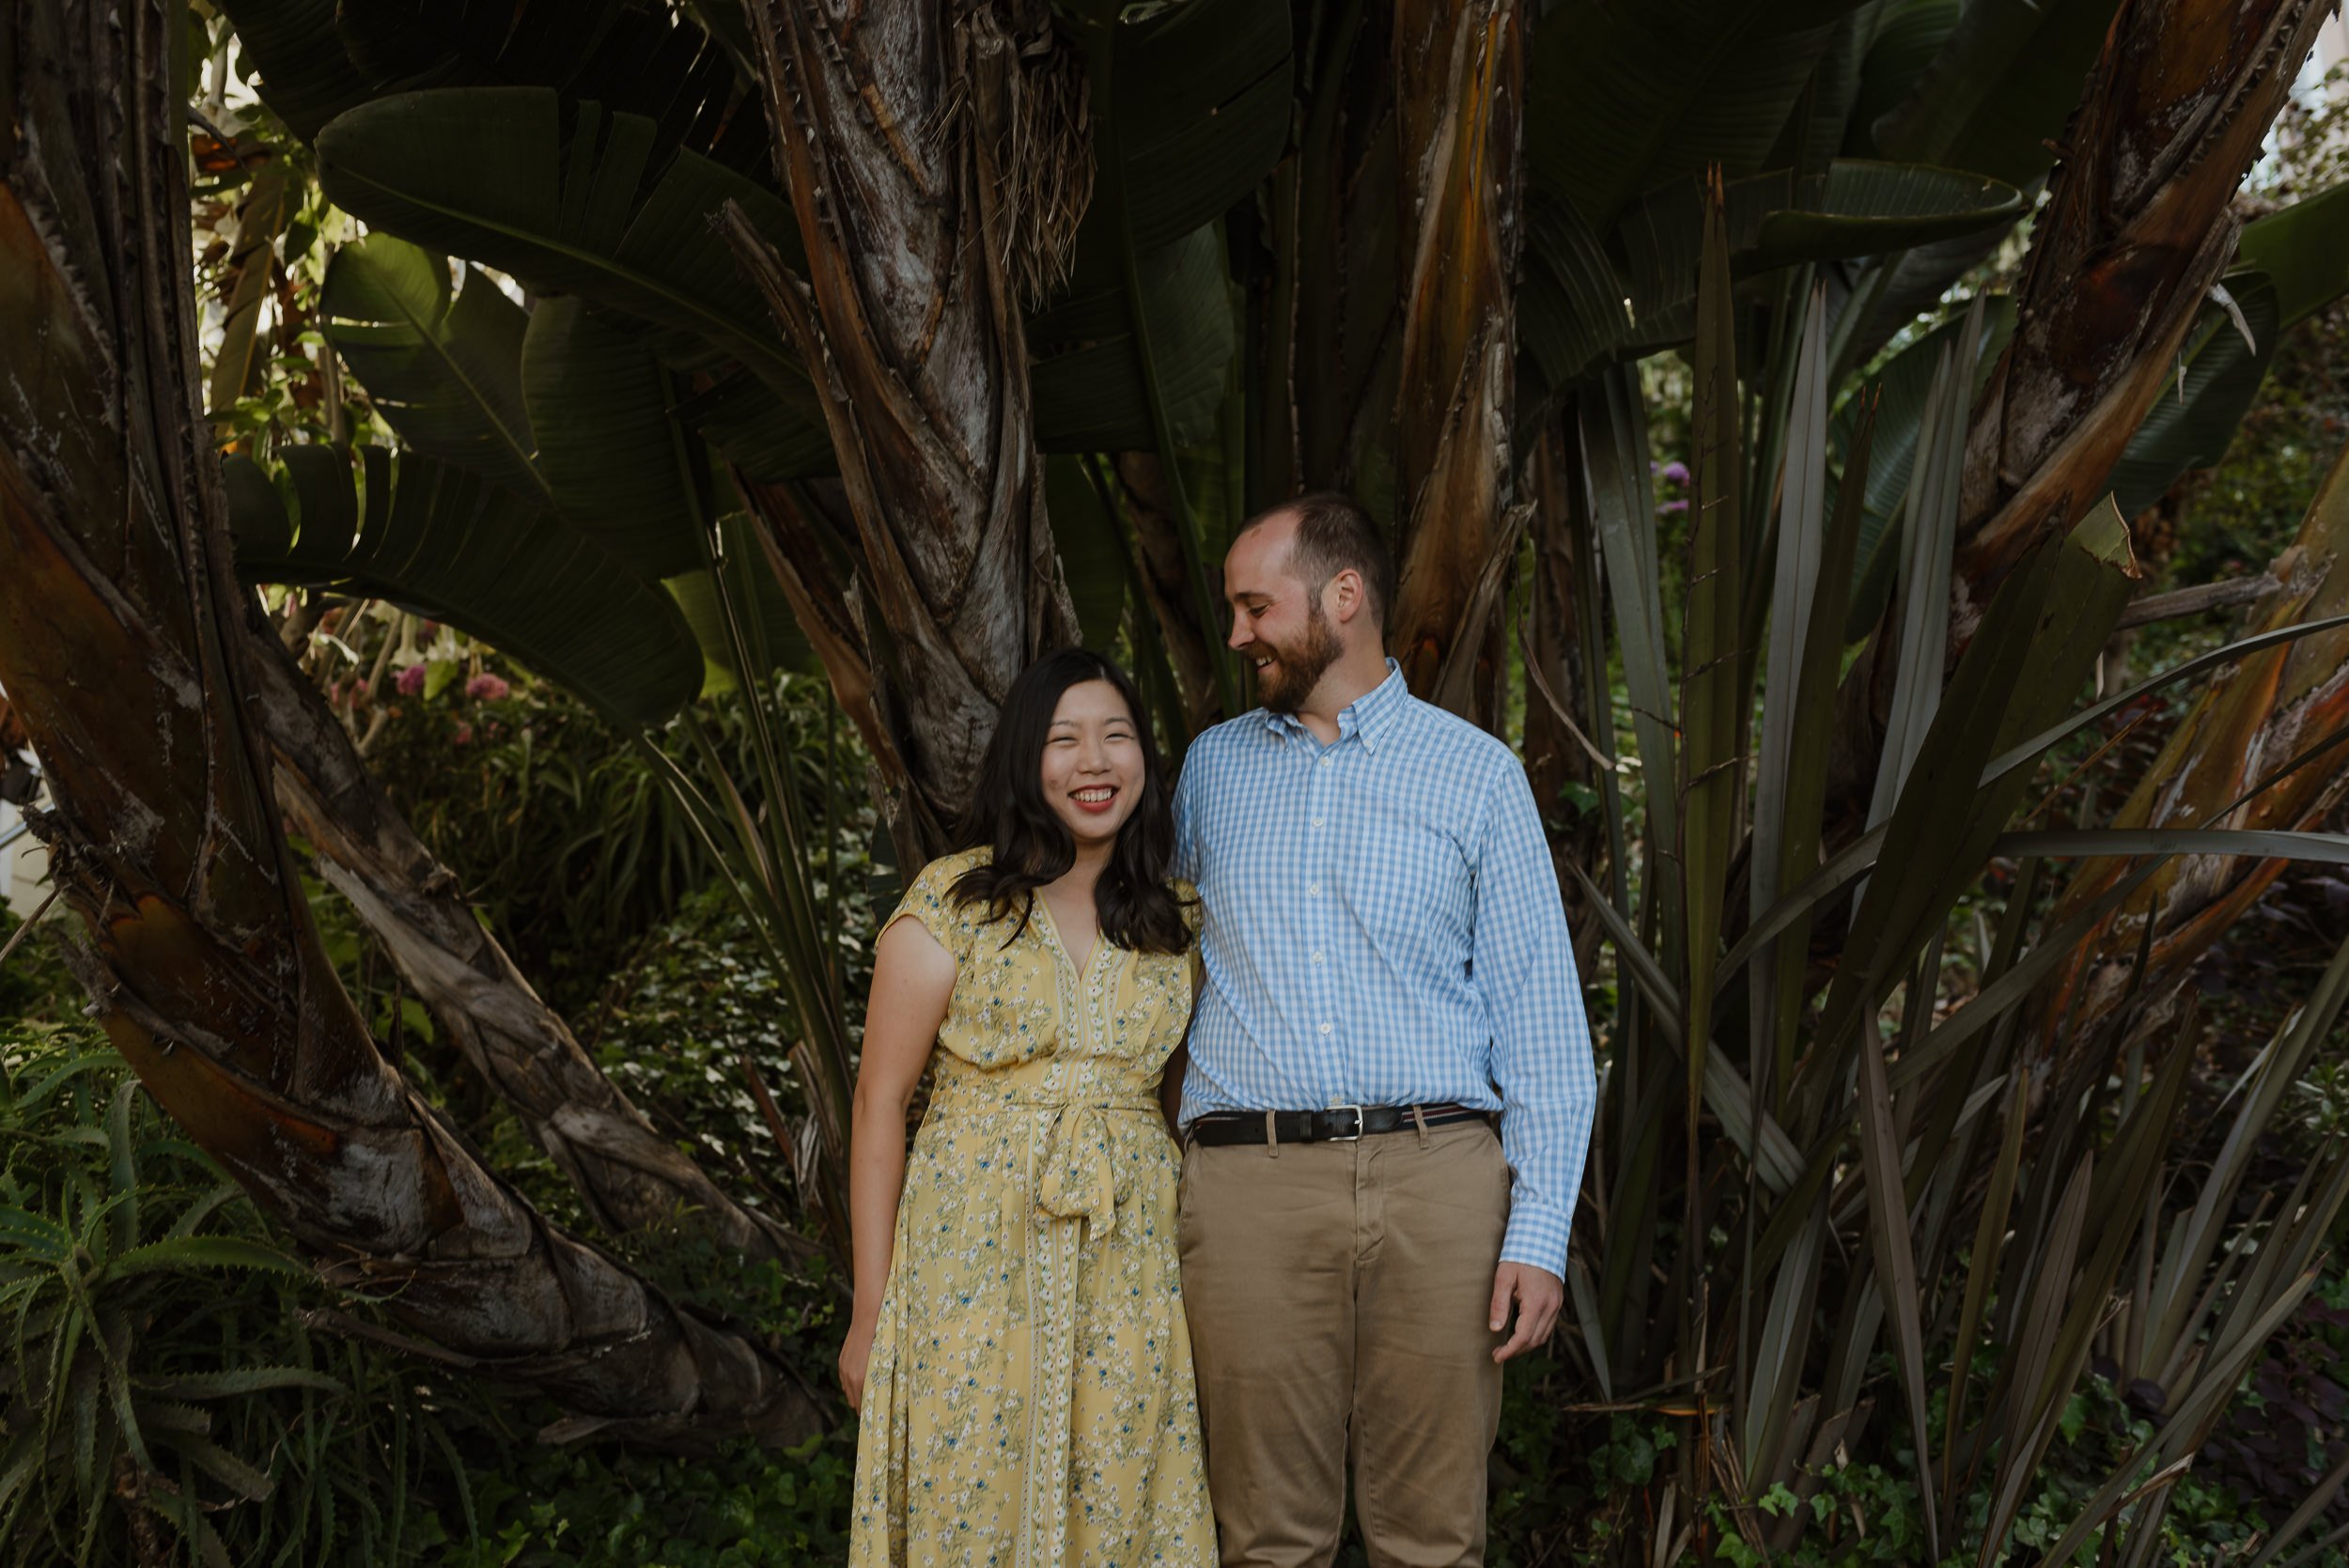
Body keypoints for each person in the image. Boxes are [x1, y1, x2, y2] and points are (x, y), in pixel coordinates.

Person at [1172, 491, 1598, 1567]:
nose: (1237, 634)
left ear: (1343, 596)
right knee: (1266, 1540)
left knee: (1433, 1541)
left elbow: (1542, 1024)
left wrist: (1537, 1233)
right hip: (1249, 1188)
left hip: (1439, 1181)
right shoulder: (1209, 772)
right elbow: (1148, 977)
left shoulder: (1477, 776)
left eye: (1254, 605)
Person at [840, 647, 1218, 1567]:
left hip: (1127, 1262)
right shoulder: (956, 900)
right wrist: (870, 1303)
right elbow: (879, 1103)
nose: (1094, 762)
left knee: (1121, 1482)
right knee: (965, 1481)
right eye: (1065, 740)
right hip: (967, 1261)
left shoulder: (1175, 918)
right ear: (1025, 759)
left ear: (1144, 762)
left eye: (1115, 737)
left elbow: (1174, 1105)